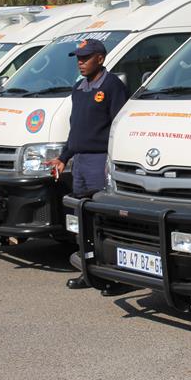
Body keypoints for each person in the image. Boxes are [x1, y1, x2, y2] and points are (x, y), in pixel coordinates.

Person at [47, 38, 128, 289]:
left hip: (99, 161)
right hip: (80, 162)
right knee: (82, 220)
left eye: (85, 58)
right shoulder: (79, 88)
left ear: (100, 59)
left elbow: (120, 127)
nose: (80, 63)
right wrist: (63, 157)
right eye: (78, 58)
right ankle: (88, 270)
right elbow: (76, 129)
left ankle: (115, 275)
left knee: (104, 220)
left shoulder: (112, 86)